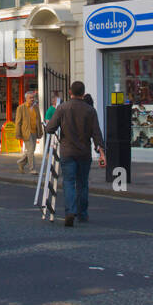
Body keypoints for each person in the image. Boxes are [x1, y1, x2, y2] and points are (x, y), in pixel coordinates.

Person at [44, 81, 107, 227]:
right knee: (83, 184)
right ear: (83, 93)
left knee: (68, 183)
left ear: (70, 92)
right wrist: (102, 152)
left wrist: (59, 133)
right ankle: (82, 214)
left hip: (67, 151)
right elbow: (96, 133)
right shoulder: (90, 110)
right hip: (84, 152)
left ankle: (70, 212)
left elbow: (50, 128)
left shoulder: (62, 108)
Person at [14, 90, 42, 174]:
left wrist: (40, 131)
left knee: (31, 150)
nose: (32, 99)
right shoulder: (21, 108)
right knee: (30, 151)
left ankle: (21, 162)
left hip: (34, 132)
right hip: (26, 132)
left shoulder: (36, 107)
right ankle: (32, 169)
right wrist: (18, 133)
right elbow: (18, 122)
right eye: (30, 98)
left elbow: (39, 120)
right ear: (26, 98)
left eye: (33, 97)